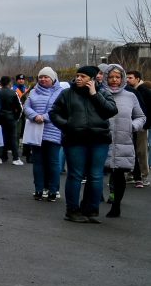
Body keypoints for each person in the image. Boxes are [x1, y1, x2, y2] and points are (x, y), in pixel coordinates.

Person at [49, 65, 118, 223]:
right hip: (75, 140)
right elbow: (54, 112)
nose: (78, 78)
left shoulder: (103, 92)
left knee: (96, 176)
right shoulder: (67, 93)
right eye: (78, 75)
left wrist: (94, 95)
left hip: (99, 140)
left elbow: (111, 111)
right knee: (76, 174)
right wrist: (68, 125)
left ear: (92, 79)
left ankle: (91, 209)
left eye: (83, 76)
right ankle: (72, 210)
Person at [102, 64, 145, 218]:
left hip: (123, 141)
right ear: (106, 77)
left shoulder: (130, 96)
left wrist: (132, 126)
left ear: (123, 79)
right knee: (95, 173)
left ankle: (116, 205)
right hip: (102, 141)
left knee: (119, 174)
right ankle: (93, 201)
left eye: (118, 77)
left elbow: (141, 116)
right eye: (111, 77)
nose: (114, 80)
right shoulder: (99, 94)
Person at [23, 67, 64, 201]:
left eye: (46, 77)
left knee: (53, 162)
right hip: (36, 132)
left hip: (53, 131)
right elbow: (26, 107)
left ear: (53, 79)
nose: (43, 79)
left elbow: (58, 109)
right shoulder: (33, 92)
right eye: (41, 77)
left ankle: (53, 190)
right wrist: (35, 116)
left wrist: (44, 117)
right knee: (38, 162)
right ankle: (39, 189)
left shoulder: (60, 92)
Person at [125, 70, 151, 188]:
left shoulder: (143, 91)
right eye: (127, 77)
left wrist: (145, 125)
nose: (127, 80)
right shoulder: (132, 90)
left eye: (130, 78)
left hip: (141, 126)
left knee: (141, 152)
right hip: (132, 125)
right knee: (132, 151)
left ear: (137, 78)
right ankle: (131, 174)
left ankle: (144, 176)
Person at [0, 76, 24, 165]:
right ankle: (15, 158)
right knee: (13, 138)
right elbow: (20, 108)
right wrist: (16, 118)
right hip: (10, 118)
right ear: (9, 83)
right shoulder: (13, 93)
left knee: (0, 137)